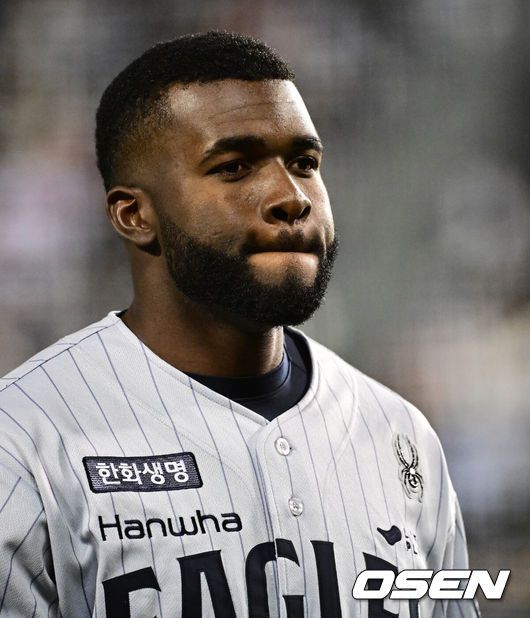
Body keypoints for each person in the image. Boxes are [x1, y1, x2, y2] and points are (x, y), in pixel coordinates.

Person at [0, 32, 479, 617]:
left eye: (304, 163)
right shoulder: (23, 440)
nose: (292, 197)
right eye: (234, 167)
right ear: (134, 214)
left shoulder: (401, 436)